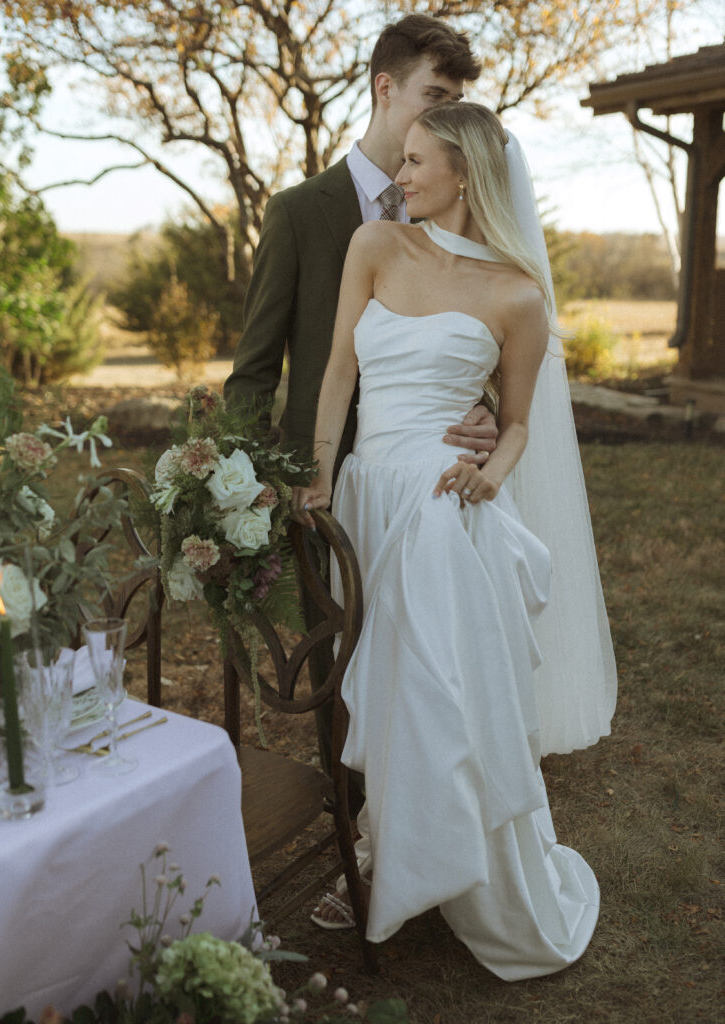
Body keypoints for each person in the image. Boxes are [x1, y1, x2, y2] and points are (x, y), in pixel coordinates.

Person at [292, 102, 617, 980]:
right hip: (365, 493)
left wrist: (493, 474)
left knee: (425, 679)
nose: (398, 177)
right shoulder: (375, 248)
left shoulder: (516, 295)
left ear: (463, 173)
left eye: (413, 162)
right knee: (385, 681)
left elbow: (514, 426)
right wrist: (319, 475)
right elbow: (337, 371)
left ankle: (415, 865)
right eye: (400, 162)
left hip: (442, 495)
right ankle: (397, 846)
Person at [224, 15, 498, 797]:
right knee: (342, 674)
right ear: (385, 88)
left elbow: (469, 327)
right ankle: (354, 834)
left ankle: (426, 817)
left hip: (428, 481)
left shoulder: (449, 204)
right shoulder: (299, 212)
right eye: (432, 95)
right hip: (325, 489)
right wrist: (241, 486)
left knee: (427, 660)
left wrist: (477, 405)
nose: (445, 116)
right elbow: (251, 372)